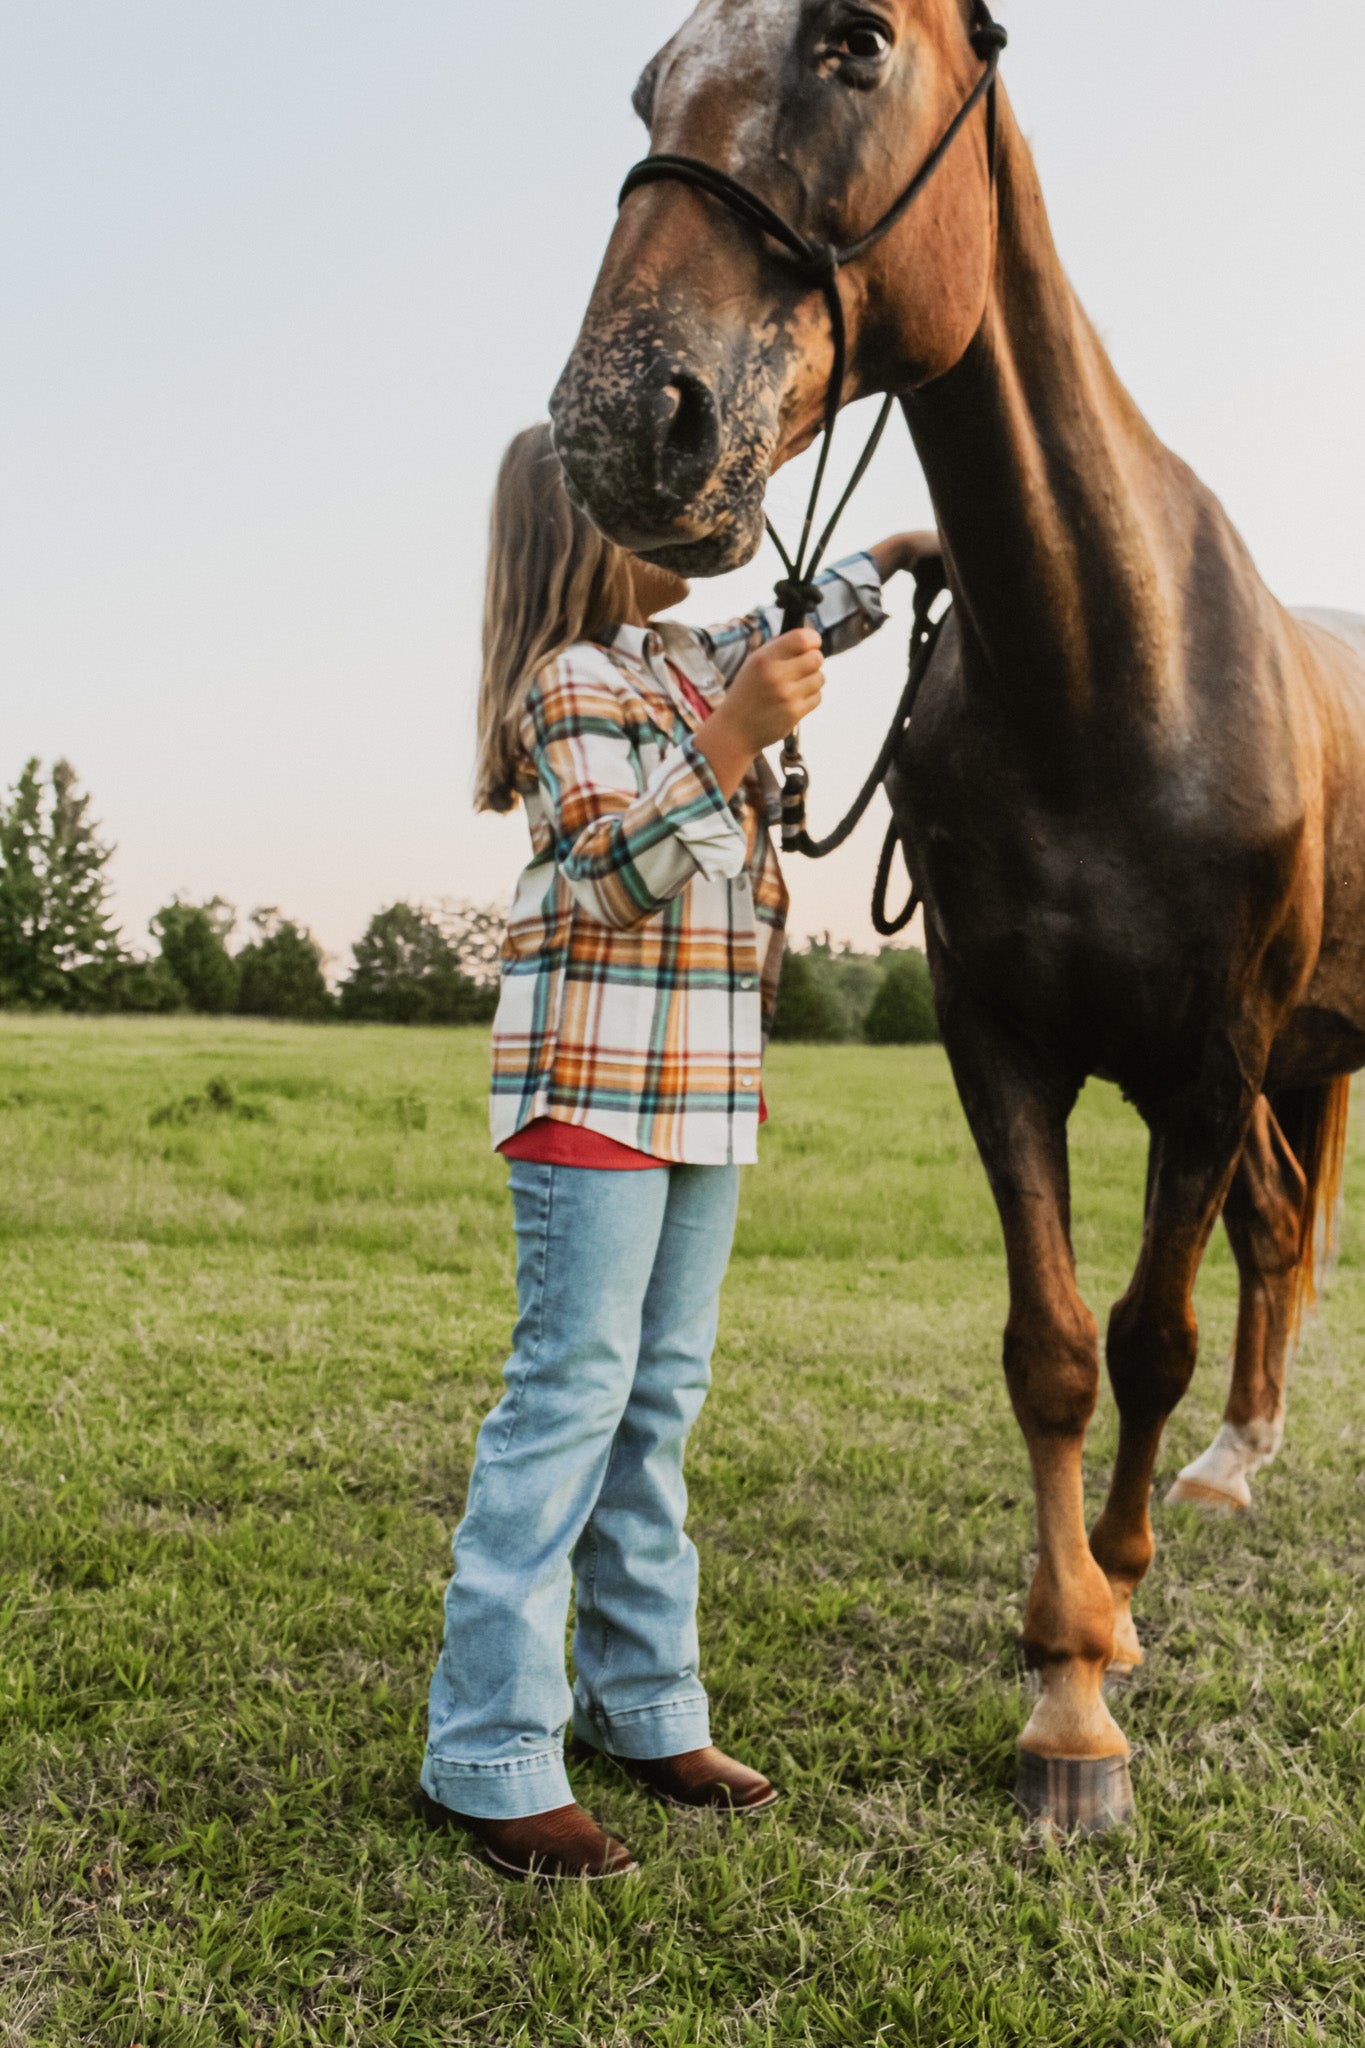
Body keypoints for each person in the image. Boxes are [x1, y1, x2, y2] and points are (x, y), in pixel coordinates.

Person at [421, 420, 932, 1878]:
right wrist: (730, 745)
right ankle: (485, 1750)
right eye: (650, 515)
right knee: (568, 1401)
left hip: (705, 1089)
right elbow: (603, 879)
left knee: (659, 1403)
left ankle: (643, 1704)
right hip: (593, 1083)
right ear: (587, 533)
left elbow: (797, 617)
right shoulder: (568, 679)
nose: (688, 533)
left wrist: (896, 555)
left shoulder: (681, 661)